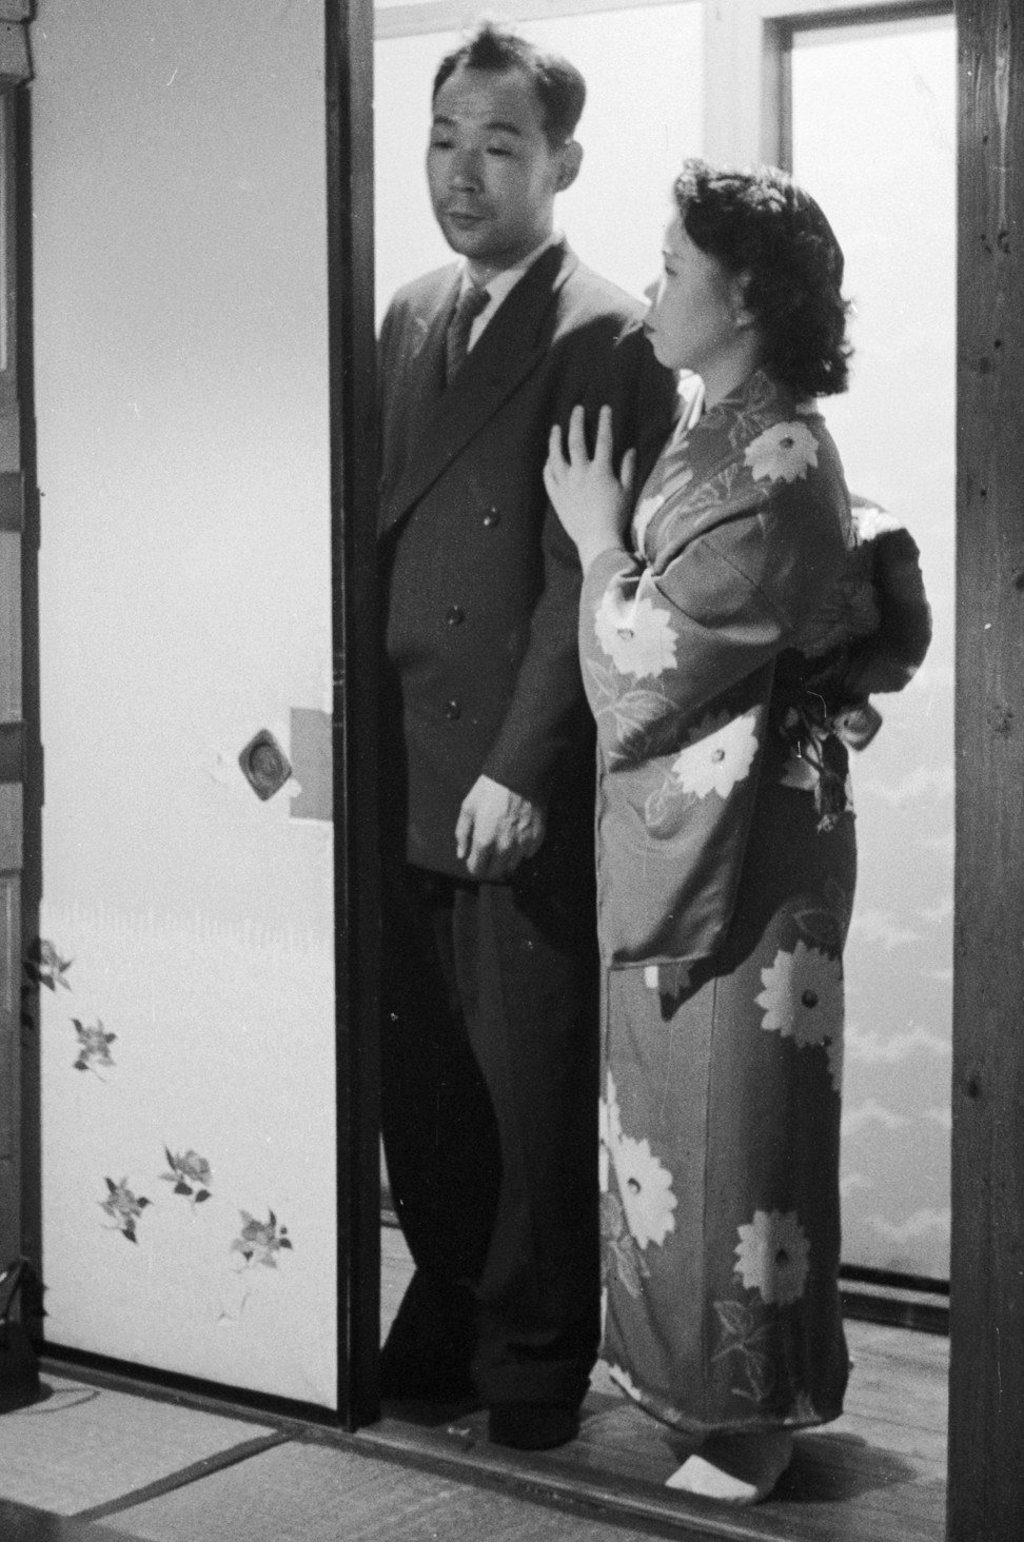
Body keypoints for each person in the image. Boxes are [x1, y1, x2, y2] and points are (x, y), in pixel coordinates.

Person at [544, 159, 930, 1501]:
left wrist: (599, 542)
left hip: (747, 853)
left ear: (747, 293)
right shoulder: (731, 431)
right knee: (673, 1119)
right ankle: (701, 1394)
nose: (651, 282)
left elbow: (649, 666)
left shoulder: (779, 457)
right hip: (705, 830)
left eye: (670, 265)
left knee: (738, 1126)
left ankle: (750, 1417)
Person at [376, 23, 678, 1451]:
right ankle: (444, 1314)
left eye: (500, 146)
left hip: (509, 771)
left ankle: (536, 1365)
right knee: (422, 1078)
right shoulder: (408, 314)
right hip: (397, 765)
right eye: (446, 140)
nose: (465, 172)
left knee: (531, 1078)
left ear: (561, 160)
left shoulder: (606, 330)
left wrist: (519, 762)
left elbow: (584, 576)